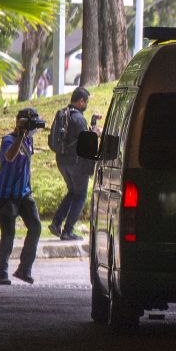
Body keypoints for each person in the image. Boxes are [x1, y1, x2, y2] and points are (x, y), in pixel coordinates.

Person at [0, 107, 45, 284]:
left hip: (24, 193)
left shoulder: (29, 141)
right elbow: (9, 156)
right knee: (8, 234)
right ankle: (1, 274)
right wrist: (21, 136)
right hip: (5, 194)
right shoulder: (8, 140)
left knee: (36, 227)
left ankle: (24, 269)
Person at [50, 87, 99, 241]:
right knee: (80, 196)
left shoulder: (61, 114)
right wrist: (96, 133)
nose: (86, 105)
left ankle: (56, 223)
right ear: (81, 101)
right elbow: (86, 142)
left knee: (72, 192)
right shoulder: (78, 119)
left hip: (62, 162)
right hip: (77, 164)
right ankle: (67, 231)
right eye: (86, 102)